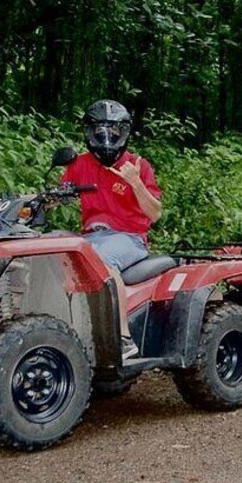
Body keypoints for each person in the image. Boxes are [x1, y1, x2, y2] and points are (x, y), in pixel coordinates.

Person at [61, 100, 163, 359]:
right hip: (91, 236)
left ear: (123, 132)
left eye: (113, 130)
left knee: (98, 259)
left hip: (128, 238)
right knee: (55, 253)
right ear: (90, 133)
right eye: (99, 130)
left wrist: (135, 183)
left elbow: (155, 213)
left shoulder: (138, 165)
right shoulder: (80, 164)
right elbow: (60, 195)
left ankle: (122, 337)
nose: (106, 136)